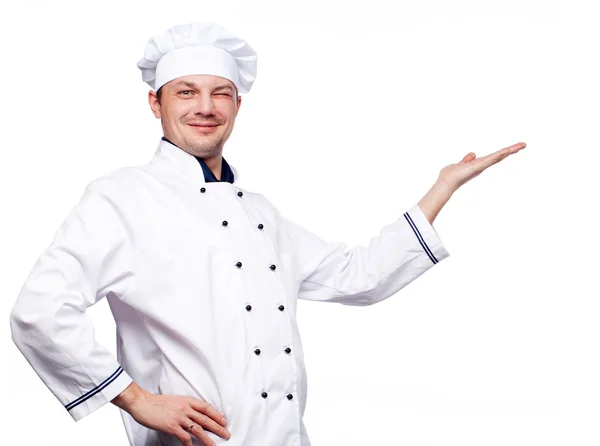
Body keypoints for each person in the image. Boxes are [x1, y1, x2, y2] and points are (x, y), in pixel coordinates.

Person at [9, 21, 526, 446]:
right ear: (155, 104)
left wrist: (442, 188)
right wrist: (137, 400)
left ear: (237, 105)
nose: (205, 107)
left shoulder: (260, 213)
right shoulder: (122, 197)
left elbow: (357, 276)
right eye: (185, 92)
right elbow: (40, 310)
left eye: (221, 93)